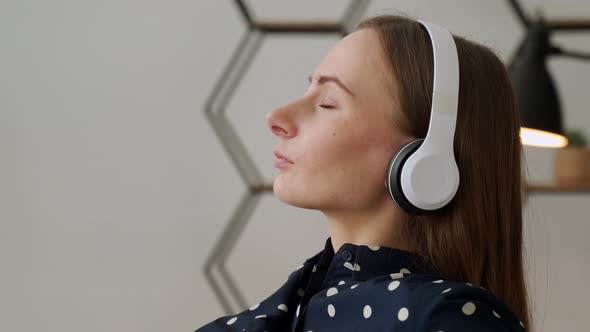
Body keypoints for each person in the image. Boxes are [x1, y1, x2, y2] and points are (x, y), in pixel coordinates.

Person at [196, 14, 531, 332]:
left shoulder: (448, 320)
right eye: (307, 90)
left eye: (327, 102)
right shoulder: (274, 314)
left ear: (428, 159)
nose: (276, 117)